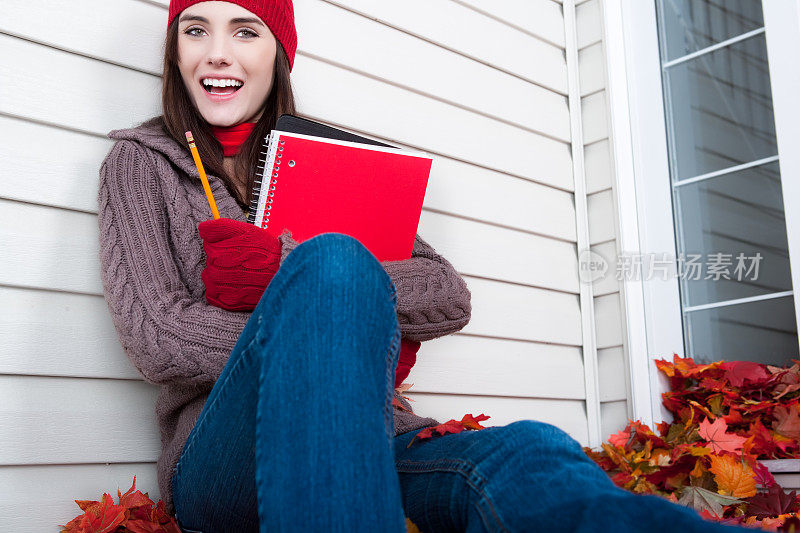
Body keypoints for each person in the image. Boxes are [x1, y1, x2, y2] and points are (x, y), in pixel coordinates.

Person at [96, 1, 752, 532]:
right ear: (176, 51)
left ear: (278, 53)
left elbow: (445, 292)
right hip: (221, 459)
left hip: (372, 431)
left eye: (245, 30)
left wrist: (294, 277)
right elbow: (162, 338)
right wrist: (321, 313)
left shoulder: (327, 160)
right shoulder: (141, 165)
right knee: (332, 268)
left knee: (525, 451)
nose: (216, 52)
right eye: (194, 30)